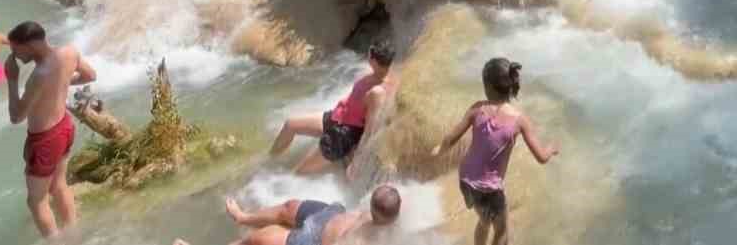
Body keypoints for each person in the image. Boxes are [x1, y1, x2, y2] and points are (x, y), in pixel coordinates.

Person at [434, 58, 560, 245]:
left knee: (484, 220)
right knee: (502, 232)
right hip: (489, 189)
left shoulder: (477, 109)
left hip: (466, 180)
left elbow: (450, 139)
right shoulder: (519, 120)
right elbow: (541, 157)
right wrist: (551, 149)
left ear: (488, 87)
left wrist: (439, 151)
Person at [5, 21, 97, 238]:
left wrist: (11, 79)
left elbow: (16, 116)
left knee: (36, 201)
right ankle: (74, 237)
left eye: (15, 50)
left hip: (45, 139)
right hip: (64, 127)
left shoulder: (38, 76)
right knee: (59, 185)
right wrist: (62, 82)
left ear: (28, 45)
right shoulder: (69, 53)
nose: (15, 56)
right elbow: (90, 76)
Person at [270, 42, 395, 178]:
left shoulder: (378, 92)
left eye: (370, 55)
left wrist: (358, 159)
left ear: (374, 61)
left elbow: (370, 129)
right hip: (337, 117)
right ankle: (270, 161)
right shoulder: (374, 74)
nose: (367, 56)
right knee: (290, 124)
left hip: (343, 135)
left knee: (299, 172)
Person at [203, 186, 402, 245]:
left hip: (313, 240)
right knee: (289, 207)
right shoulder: (404, 208)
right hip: (332, 213)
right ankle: (243, 217)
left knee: (259, 239)